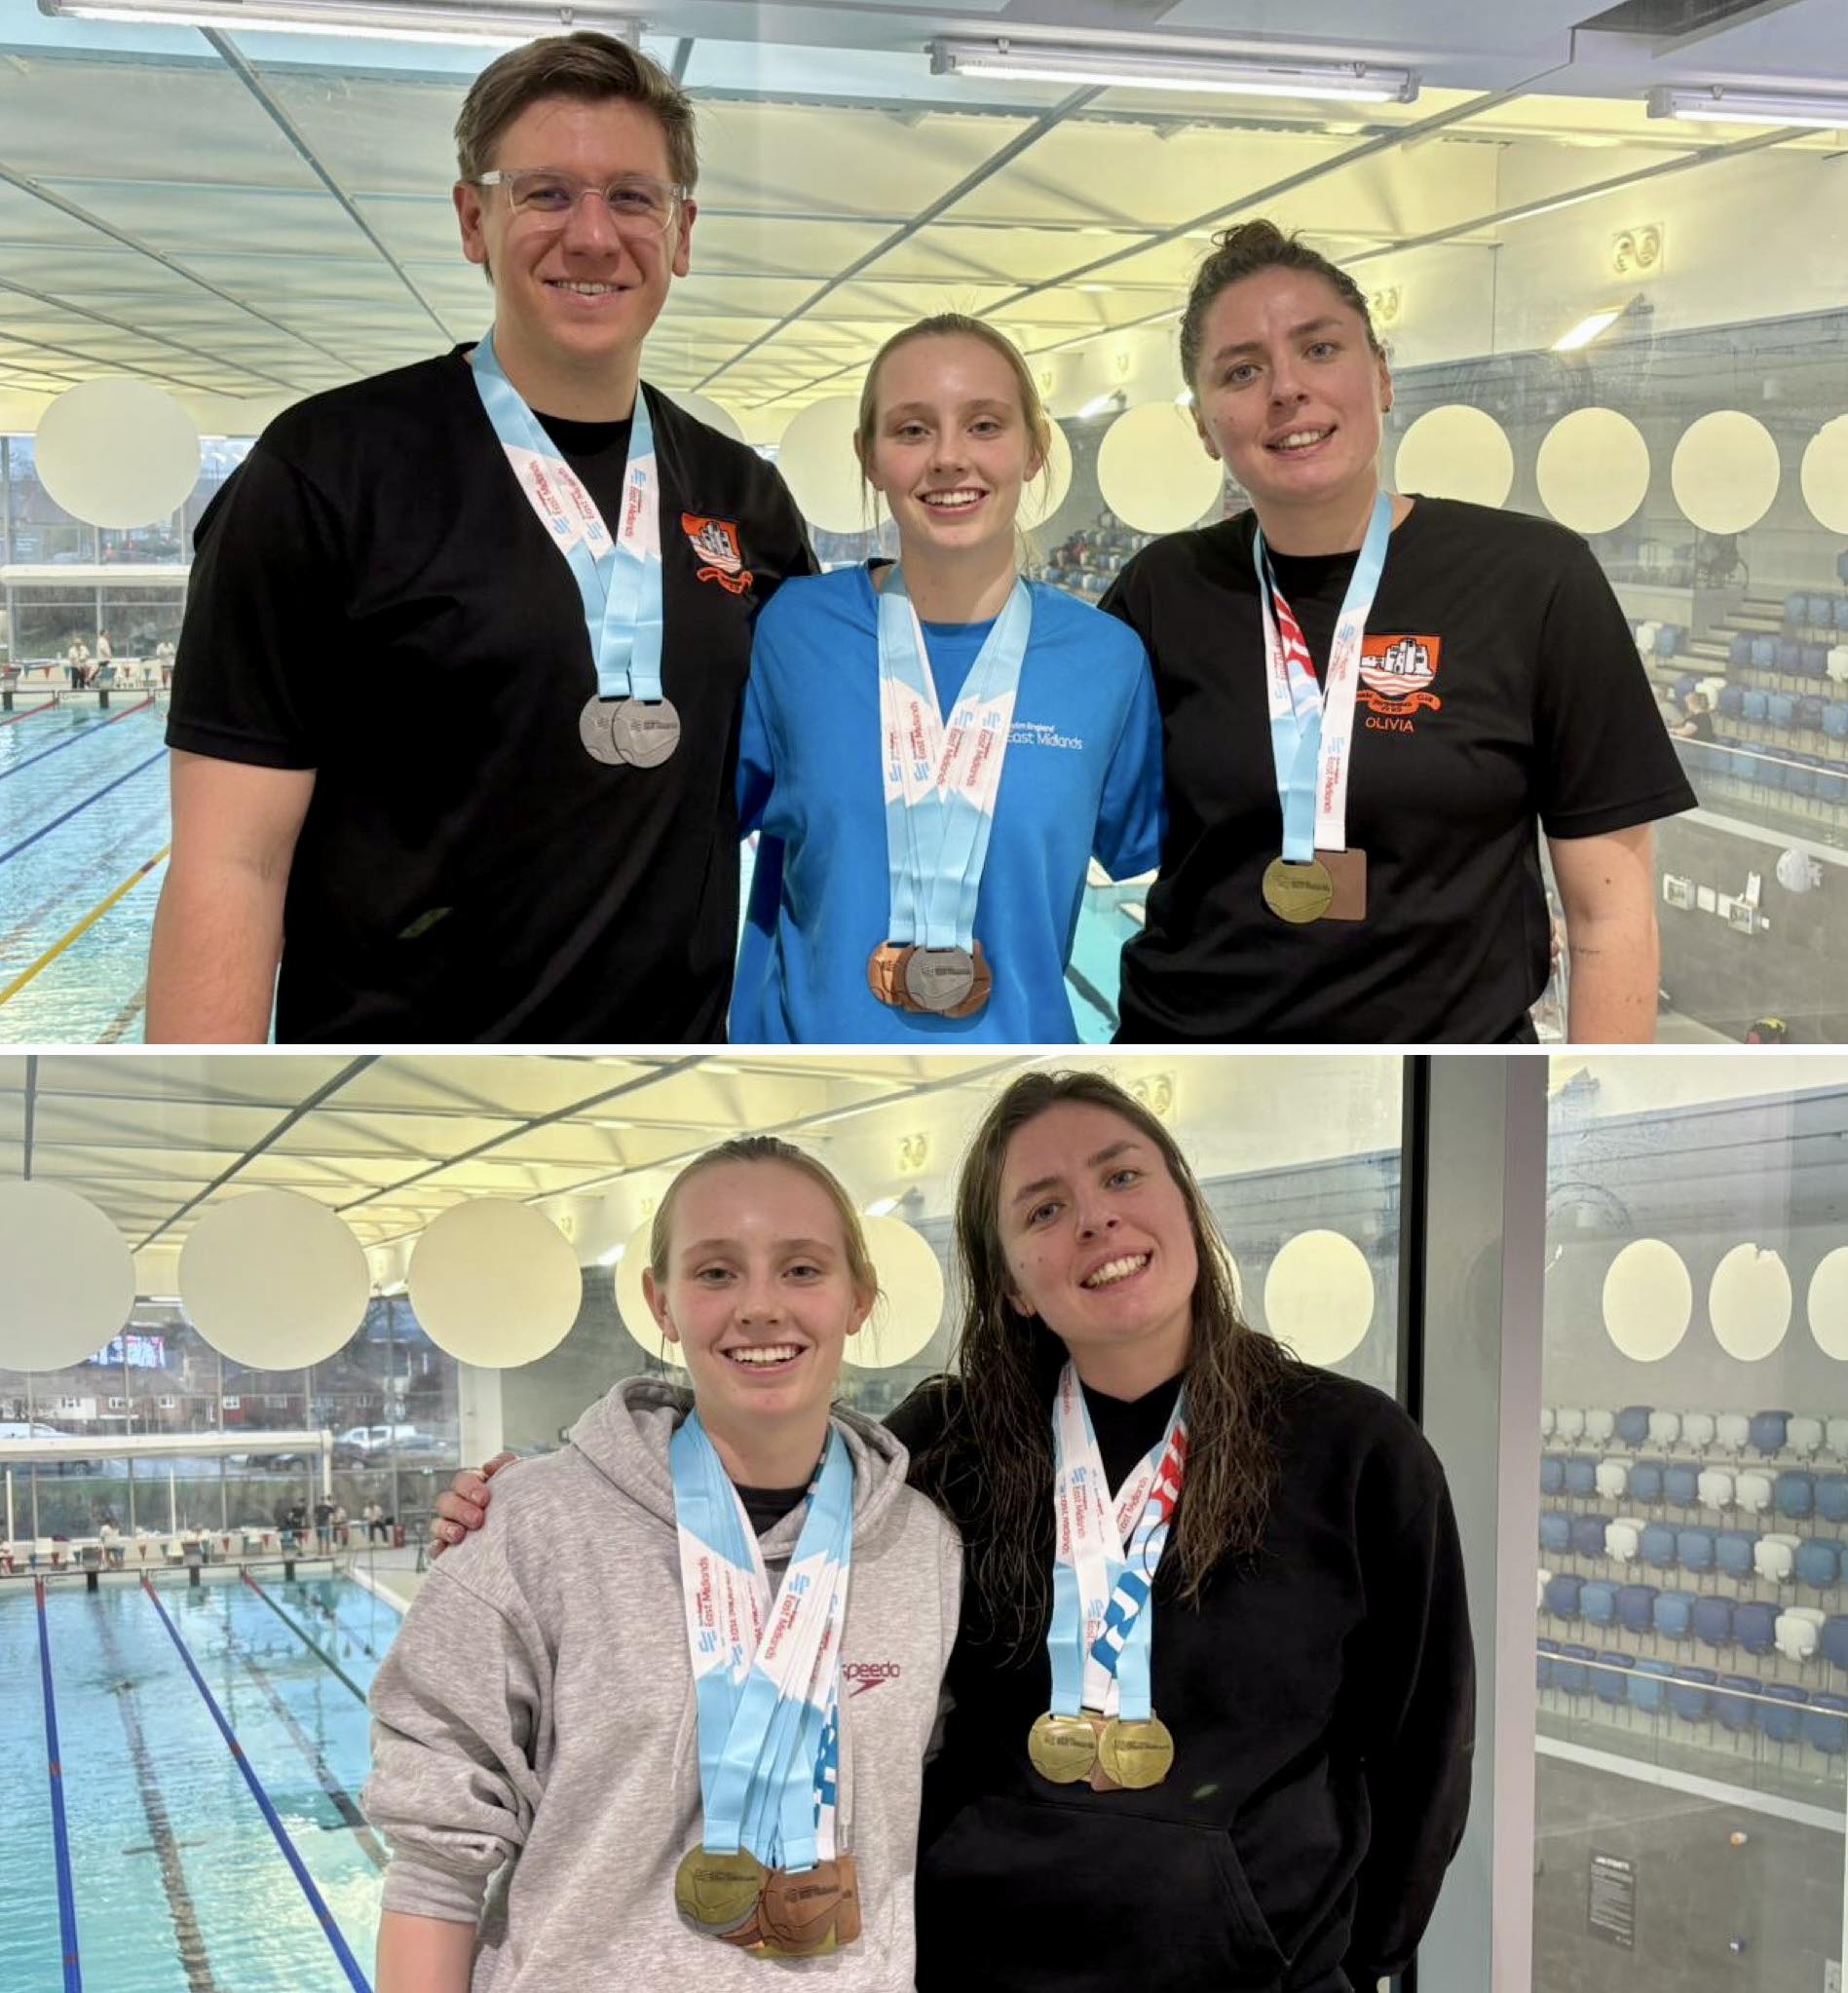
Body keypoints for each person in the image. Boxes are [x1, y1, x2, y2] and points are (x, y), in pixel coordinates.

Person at [436, 1072, 1472, 1991]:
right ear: (1012, 1282)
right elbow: (759, 1523)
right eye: (1044, 1209)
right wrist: (537, 1498)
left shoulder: (1354, 1452)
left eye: (1122, 1179)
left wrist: (1358, 1959)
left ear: (1183, 1206)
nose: (1096, 1223)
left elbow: (1421, 1737)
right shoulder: (942, 1449)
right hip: (978, 1966)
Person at [148, 32, 812, 1044]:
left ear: (681, 232)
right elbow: (229, 864)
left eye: (632, 197)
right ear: (474, 219)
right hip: (387, 1081)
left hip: (666, 1074)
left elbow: (825, 776)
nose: (593, 235)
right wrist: (205, 1115)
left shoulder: (744, 496)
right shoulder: (324, 471)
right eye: (545, 193)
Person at [365, 1136, 959, 1991]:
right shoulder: (538, 1528)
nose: (759, 1306)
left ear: (858, 1299)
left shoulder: (923, 1549)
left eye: (801, 1269)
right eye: (716, 1272)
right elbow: (434, 1859)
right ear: (662, 1304)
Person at [1104, 220, 1696, 1043]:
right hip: (1194, 1041)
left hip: (1454, 1085)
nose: (1285, 390)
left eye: (1319, 350)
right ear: (1204, 424)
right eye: (1241, 370)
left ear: (1380, 376)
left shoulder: (1534, 580)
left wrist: (1593, 1104)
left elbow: (1610, 916)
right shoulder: (1159, 592)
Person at [731, 315, 1163, 1041]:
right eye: (911, 431)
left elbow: (1161, 869)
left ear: (1034, 449)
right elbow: (702, 841)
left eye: (985, 425)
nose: (948, 459)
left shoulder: (1106, 660)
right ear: (868, 456)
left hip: (1021, 1054)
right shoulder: (794, 631)